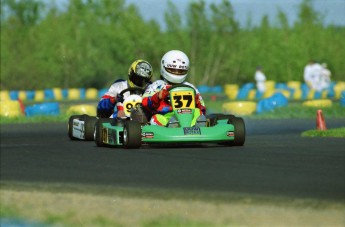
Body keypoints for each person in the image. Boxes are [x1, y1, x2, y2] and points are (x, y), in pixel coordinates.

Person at [142, 50, 206, 126]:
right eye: (173, 70)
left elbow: (203, 108)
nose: (177, 73)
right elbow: (144, 103)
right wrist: (158, 96)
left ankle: (197, 127)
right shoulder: (157, 85)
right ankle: (172, 125)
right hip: (166, 116)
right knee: (156, 118)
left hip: (188, 117)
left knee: (198, 112)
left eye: (180, 71)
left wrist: (196, 100)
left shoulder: (190, 87)